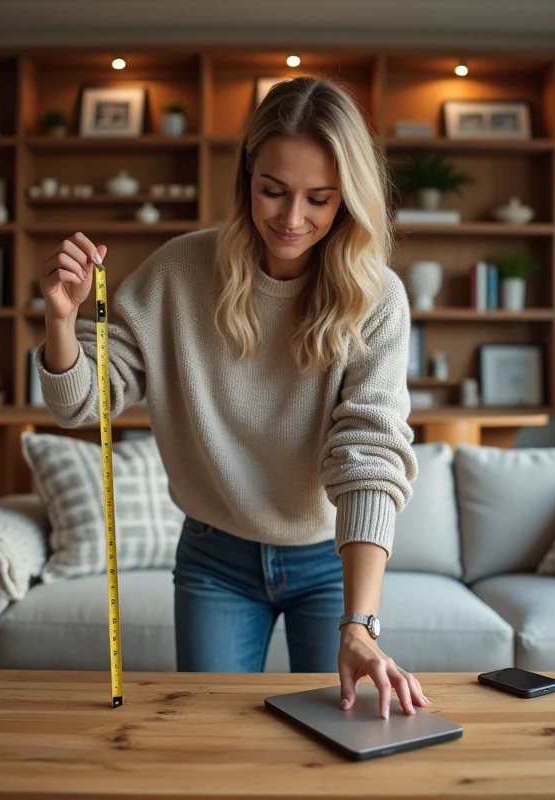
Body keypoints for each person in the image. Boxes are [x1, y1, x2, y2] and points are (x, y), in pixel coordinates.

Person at [35, 76, 426, 720]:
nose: (291, 220)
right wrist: (59, 322)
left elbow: (370, 456)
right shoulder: (179, 272)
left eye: (319, 199)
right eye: (273, 191)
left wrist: (361, 621)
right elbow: (85, 404)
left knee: (335, 748)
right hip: (215, 558)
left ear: (348, 200)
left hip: (329, 559)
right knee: (205, 744)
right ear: (247, 176)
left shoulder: (376, 297)